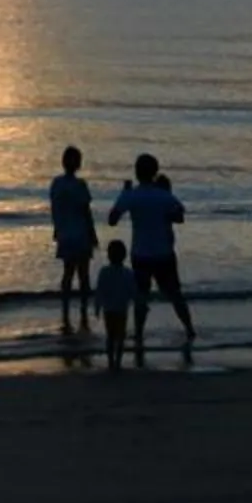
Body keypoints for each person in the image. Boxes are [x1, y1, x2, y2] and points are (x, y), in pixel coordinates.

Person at [108, 152, 191, 355]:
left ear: (137, 173)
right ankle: (189, 329)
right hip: (163, 252)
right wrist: (164, 216)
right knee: (175, 294)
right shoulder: (163, 195)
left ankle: (138, 333)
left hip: (141, 253)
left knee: (141, 297)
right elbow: (180, 216)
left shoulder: (132, 195)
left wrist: (123, 194)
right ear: (155, 173)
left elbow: (112, 219)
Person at [47, 145, 97, 327]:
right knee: (83, 275)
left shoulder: (56, 184)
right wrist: (93, 234)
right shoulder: (80, 185)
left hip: (65, 233)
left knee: (68, 273)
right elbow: (86, 211)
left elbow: (55, 209)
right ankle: (84, 309)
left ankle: (66, 308)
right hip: (80, 233)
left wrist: (57, 229)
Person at [93, 241, 138, 372]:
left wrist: (97, 307)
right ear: (124, 255)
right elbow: (133, 291)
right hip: (121, 308)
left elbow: (99, 292)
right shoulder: (128, 273)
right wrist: (139, 303)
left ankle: (111, 360)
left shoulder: (104, 272)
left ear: (108, 255)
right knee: (120, 336)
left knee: (111, 336)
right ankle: (117, 360)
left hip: (109, 309)